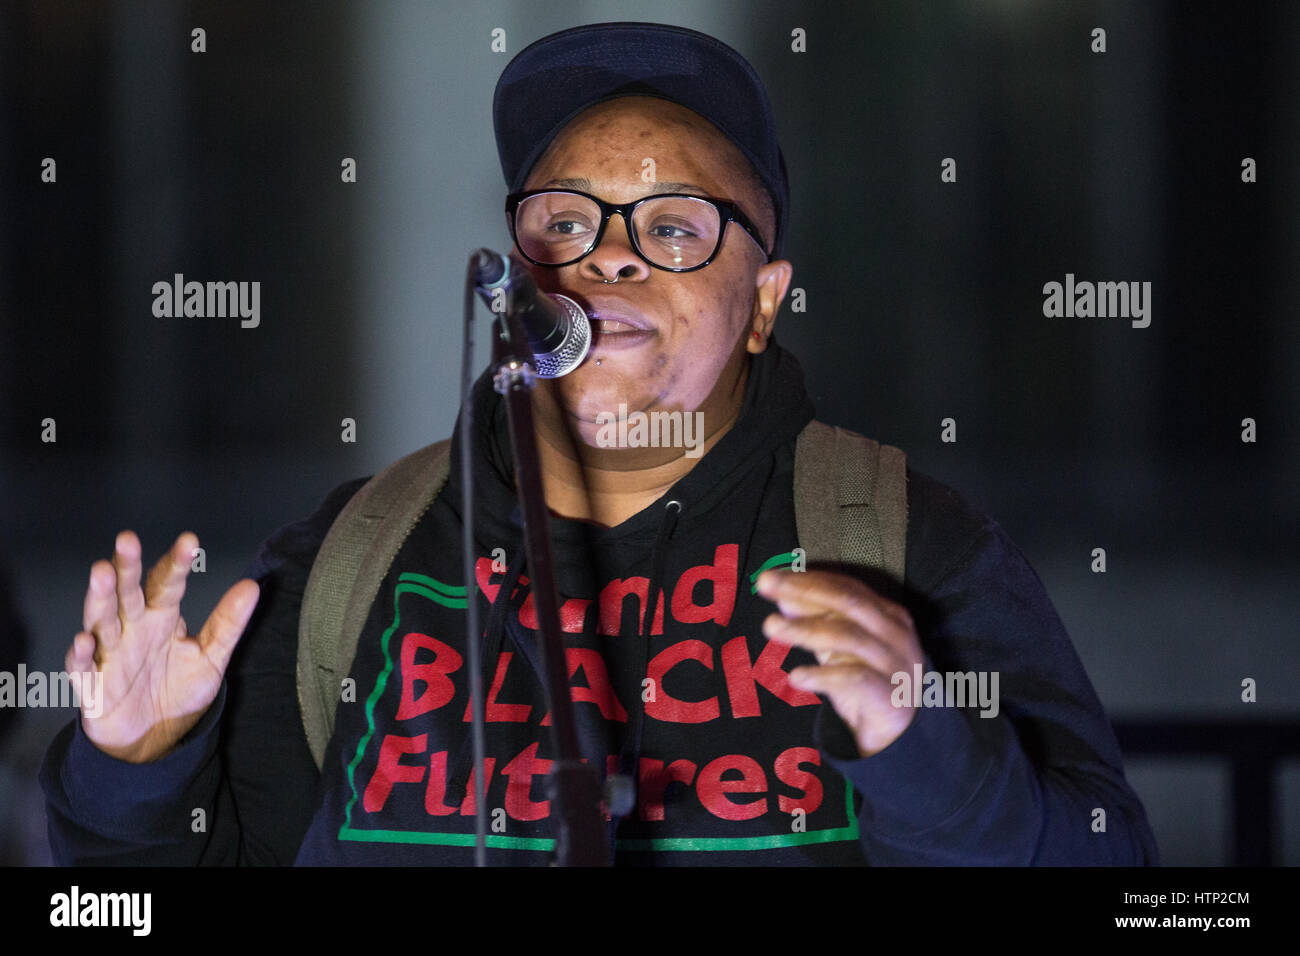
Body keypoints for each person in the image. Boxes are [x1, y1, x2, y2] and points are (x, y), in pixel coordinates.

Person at [41, 22, 1158, 865]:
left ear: (763, 302)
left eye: (673, 226)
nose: (609, 256)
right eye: (565, 221)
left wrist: (929, 753)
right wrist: (133, 770)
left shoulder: (901, 541)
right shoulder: (357, 553)